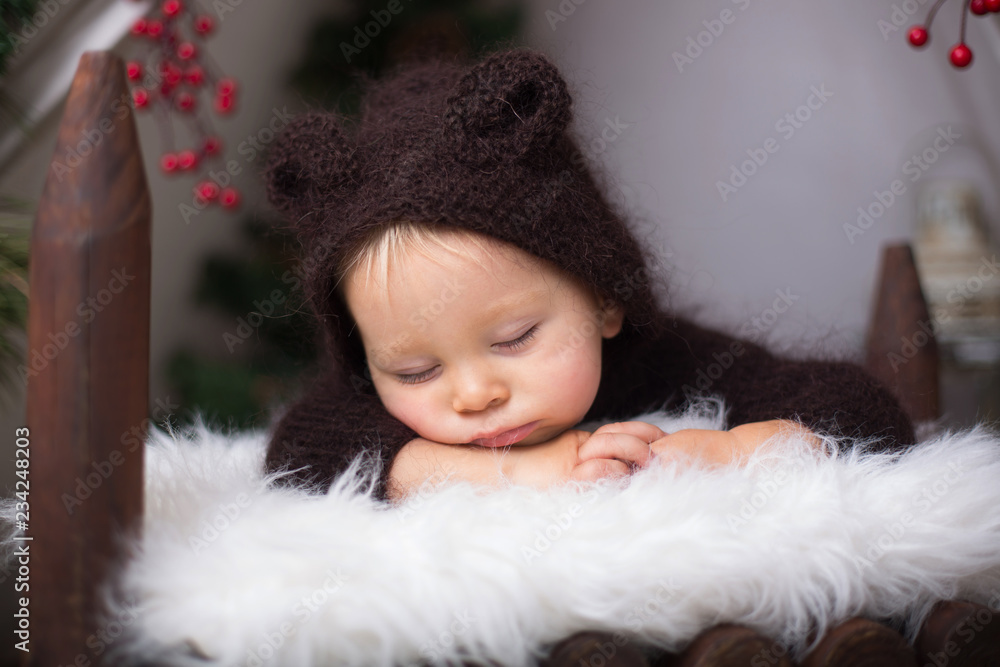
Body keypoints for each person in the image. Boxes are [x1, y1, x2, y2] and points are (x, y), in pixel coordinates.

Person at [262, 48, 915, 501]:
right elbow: (299, 449)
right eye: (415, 371)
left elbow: (863, 412)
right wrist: (519, 473)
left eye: (516, 337)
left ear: (604, 297)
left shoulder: (667, 361)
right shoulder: (369, 407)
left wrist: (730, 452)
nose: (474, 394)